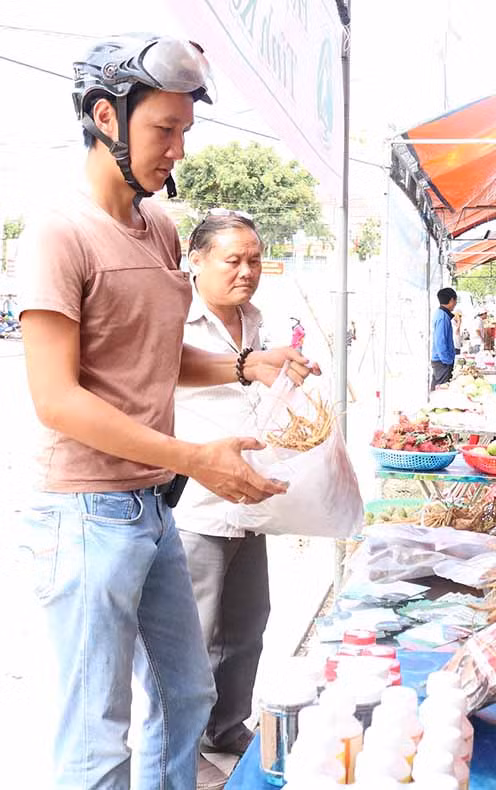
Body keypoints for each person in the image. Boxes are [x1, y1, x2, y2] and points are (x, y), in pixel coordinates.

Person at [16, 35, 317, 790]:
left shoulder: (161, 228)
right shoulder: (58, 232)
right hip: (85, 513)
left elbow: (151, 352)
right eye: (163, 130)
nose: (178, 150)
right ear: (104, 118)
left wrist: (249, 363)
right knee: (98, 737)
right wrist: (194, 458)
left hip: (149, 507)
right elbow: (56, 398)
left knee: (188, 695)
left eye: (186, 131)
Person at [174, 212, 272, 787]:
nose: (245, 271)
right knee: (191, 639)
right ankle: (181, 754)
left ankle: (228, 728)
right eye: (232, 259)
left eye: (253, 259)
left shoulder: (257, 321)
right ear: (197, 260)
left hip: (250, 500)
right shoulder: (176, 321)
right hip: (196, 505)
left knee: (247, 625)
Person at [431, 287, 457, 388]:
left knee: (439, 388)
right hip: (442, 362)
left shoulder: (442, 314)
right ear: (451, 300)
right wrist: (447, 361)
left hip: (442, 360)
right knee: (441, 390)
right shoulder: (442, 317)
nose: (455, 303)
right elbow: (440, 342)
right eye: (455, 300)